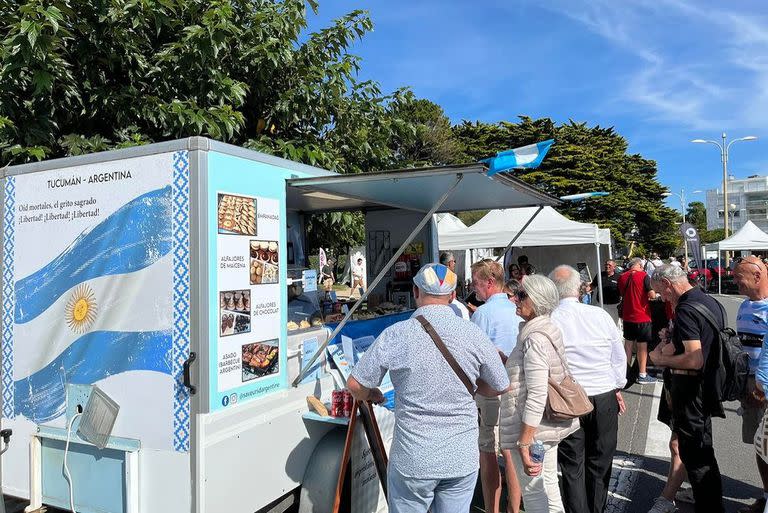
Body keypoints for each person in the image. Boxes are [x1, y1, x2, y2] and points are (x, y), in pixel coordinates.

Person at [348, 263, 510, 513]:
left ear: (415, 292)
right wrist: (472, 387)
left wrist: (372, 394)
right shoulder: (472, 333)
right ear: (453, 296)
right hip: (460, 456)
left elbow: (355, 385)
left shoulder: (397, 334)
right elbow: (500, 384)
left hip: (414, 458)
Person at [549, 266, 627, 513]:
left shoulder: (550, 319)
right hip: (603, 392)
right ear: (579, 288)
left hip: (568, 398)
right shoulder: (600, 315)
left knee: (572, 464)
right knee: (600, 460)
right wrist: (617, 386)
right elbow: (618, 356)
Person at [499, 275, 580, 513]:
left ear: (536, 301)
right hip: (544, 428)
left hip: (532, 430)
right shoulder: (545, 329)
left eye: (521, 295)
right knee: (549, 488)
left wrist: (524, 442)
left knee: (534, 494)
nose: (515, 299)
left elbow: (536, 394)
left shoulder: (533, 338)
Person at [649, 264, 725, 513]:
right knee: (700, 452)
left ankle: (709, 507)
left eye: (661, 292)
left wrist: (661, 360)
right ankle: (708, 503)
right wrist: (671, 338)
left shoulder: (686, 309)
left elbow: (694, 358)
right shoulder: (707, 300)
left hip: (691, 388)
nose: (663, 297)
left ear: (668, 284)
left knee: (697, 456)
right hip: (708, 385)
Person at [471, 259, 524, 513]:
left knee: (488, 451)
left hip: (491, 390)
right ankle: (514, 509)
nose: (474, 288)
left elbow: (473, 356)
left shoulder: (483, 314)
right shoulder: (516, 308)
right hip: (516, 388)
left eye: (477, 283)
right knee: (511, 451)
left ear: (490, 283)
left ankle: (492, 509)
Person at [731, 256, 768, 513]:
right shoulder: (744, 306)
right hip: (749, 389)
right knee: (759, 446)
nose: (735, 282)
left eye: (738, 277)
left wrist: (762, 387)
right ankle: (765, 495)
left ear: (757, 276)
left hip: (764, 389)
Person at [619, 257, 657, 384]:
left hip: (627, 315)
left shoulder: (622, 276)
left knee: (628, 345)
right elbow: (651, 295)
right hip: (642, 315)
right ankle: (642, 374)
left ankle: (625, 373)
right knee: (642, 346)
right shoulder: (644, 276)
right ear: (640, 265)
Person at [591, 260, 622, 325]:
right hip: (601, 304)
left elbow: (622, 291)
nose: (607, 266)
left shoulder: (619, 277)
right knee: (601, 324)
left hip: (614, 306)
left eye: (609, 265)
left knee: (613, 324)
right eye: (606, 265)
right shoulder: (600, 275)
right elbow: (592, 286)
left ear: (614, 267)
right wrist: (583, 289)